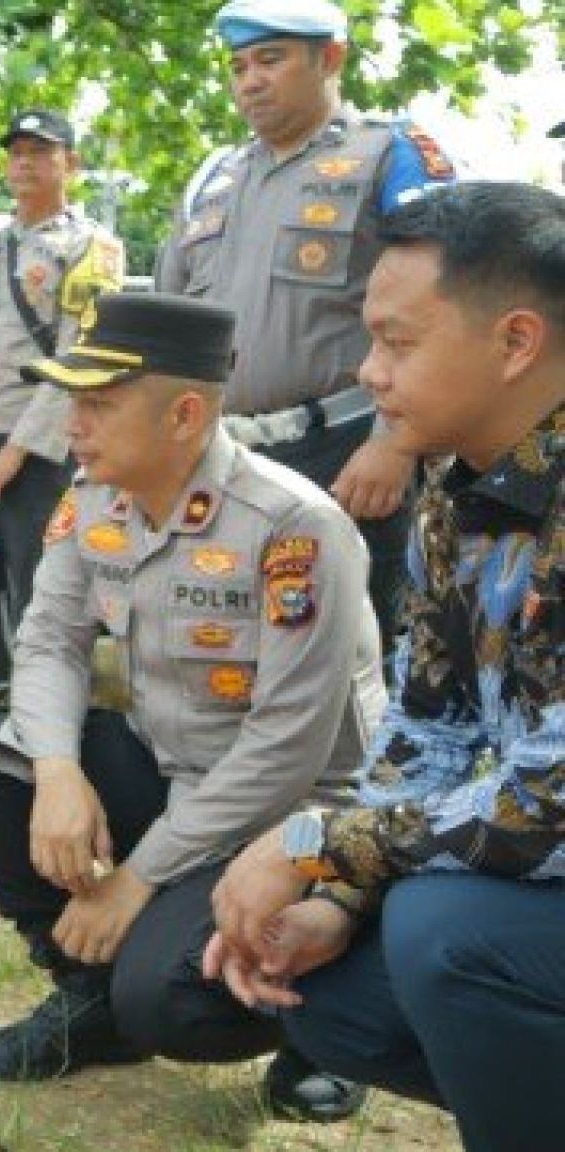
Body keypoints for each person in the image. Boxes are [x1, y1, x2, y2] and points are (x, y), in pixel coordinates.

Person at [0, 293, 384, 1121]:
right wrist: (57, 771)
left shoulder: (293, 526)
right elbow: (48, 642)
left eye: (99, 404)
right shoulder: (94, 498)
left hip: (298, 822)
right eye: (72, 400)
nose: (74, 424)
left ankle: (323, 1017)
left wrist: (137, 878)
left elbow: (286, 751)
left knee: (171, 1003)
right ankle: (89, 990)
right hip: (178, 776)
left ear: (184, 416)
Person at [205, 182, 565, 1152]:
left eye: (397, 343)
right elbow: (429, 728)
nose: (369, 373)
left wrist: (313, 845)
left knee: (443, 933)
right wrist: (337, 895)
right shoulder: (456, 491)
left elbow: (551, 801)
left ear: (515, 342)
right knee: (336, 996)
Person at [155, 0, 457, 657]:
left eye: (270, 60)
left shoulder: (391, 155)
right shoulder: (212, 178)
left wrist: (396, 443)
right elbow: (167, 329)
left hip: (346, 453)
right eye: (238, 66)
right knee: (226, 653)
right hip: (222, 455)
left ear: (330, 59)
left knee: (346, 658)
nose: (250, 81)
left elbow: (443, 309)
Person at [0, 108, 125, 715]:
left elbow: (79, 355)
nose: (24, 163)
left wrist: (17, 452)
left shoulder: (93, 248)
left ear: (71, 163)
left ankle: (47, 710)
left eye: (40, 152)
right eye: (15, 152)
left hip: (42, 442)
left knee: (42, 581)